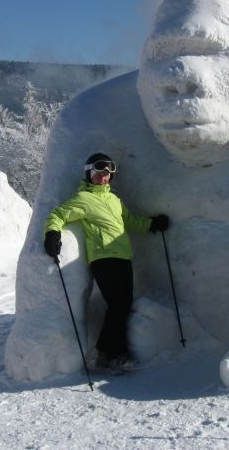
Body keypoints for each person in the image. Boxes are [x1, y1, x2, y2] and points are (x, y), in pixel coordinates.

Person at [42, 153, 169, 370]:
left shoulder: (114, 200)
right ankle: (112, 355)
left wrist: (152, 224)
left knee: (123, 304)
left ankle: (106, 352)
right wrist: (52, 234)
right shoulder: (83, 199)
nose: (103, 178)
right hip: (102, 259)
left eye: (108, 174)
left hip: (123, 257)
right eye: (99, 173)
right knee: (118, 305)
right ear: (90, 173)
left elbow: (130, 221)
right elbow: (58, 214)